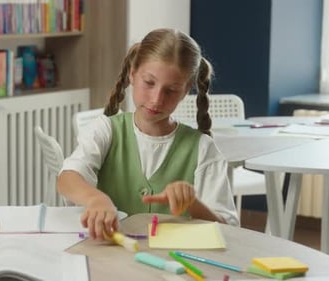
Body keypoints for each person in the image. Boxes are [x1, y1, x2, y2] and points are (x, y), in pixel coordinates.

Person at [57, 28, 239, 240]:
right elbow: (67, 178)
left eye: (170, 90)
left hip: (173, 264)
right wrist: (96, 200)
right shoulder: (105, 130)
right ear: (133, 74)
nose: (156, 99)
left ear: (185, 91)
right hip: (110, 259)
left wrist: (193, 204)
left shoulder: (203, 148)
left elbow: (228, 230)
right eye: (149, 83)